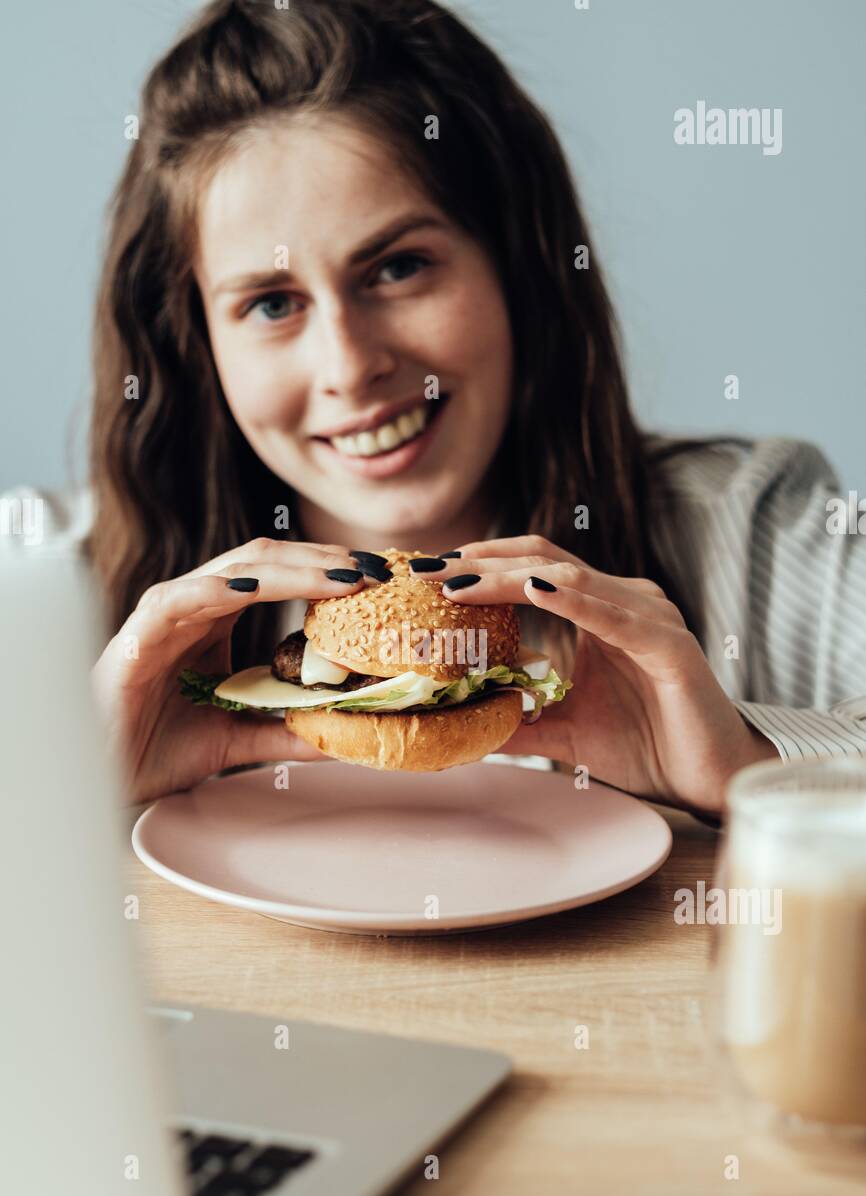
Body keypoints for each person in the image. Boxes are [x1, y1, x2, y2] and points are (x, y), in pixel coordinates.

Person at [7, 0, 866, 818]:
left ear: (517, 269)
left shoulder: (761, 530)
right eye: (271, 303)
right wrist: (56, 799)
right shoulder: (37, 569)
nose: (349, 365)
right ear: (195, 341)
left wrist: (755, 771)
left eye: (398, 267)